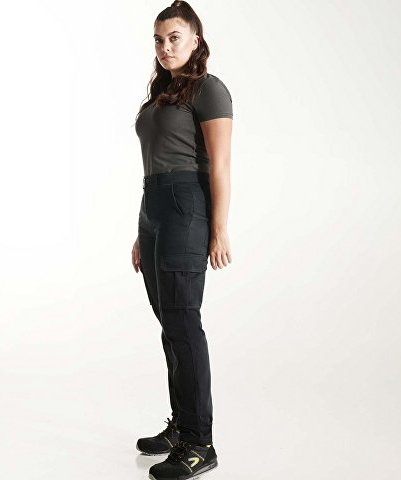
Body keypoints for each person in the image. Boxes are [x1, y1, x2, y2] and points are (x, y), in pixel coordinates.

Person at [131, 2, 233, 479]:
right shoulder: (162, 94)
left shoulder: (209, 90)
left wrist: (219, 227)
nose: (165, 46)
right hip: (155, 208)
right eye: (159, 39)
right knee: (169, 323)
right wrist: (142, 230)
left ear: (195, 39)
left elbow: (220, 164)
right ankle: (181, 427)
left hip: (186, 205)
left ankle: (199, 442)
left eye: (174, 37)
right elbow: (153, 163)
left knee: (184, 323)